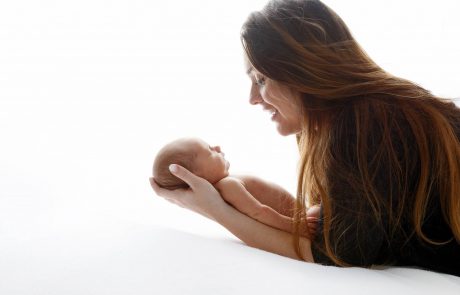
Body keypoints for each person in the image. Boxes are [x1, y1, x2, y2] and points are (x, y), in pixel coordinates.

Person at [150, 0, 460, 276]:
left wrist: (215, 210)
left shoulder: (366, 122)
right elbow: (343, 230)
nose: (252, 98)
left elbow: (338, 254)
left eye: (261, 79)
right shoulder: (358, 117)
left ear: (303, 70)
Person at [152, 137, 318, 237]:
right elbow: (259, 212)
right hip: (300, 222)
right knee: (320, 212)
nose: (217, 147)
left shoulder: (225, 186)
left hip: (300, 217)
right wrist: (295, 227)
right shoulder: (228, 186)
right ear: (196, 176)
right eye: (209, 150)